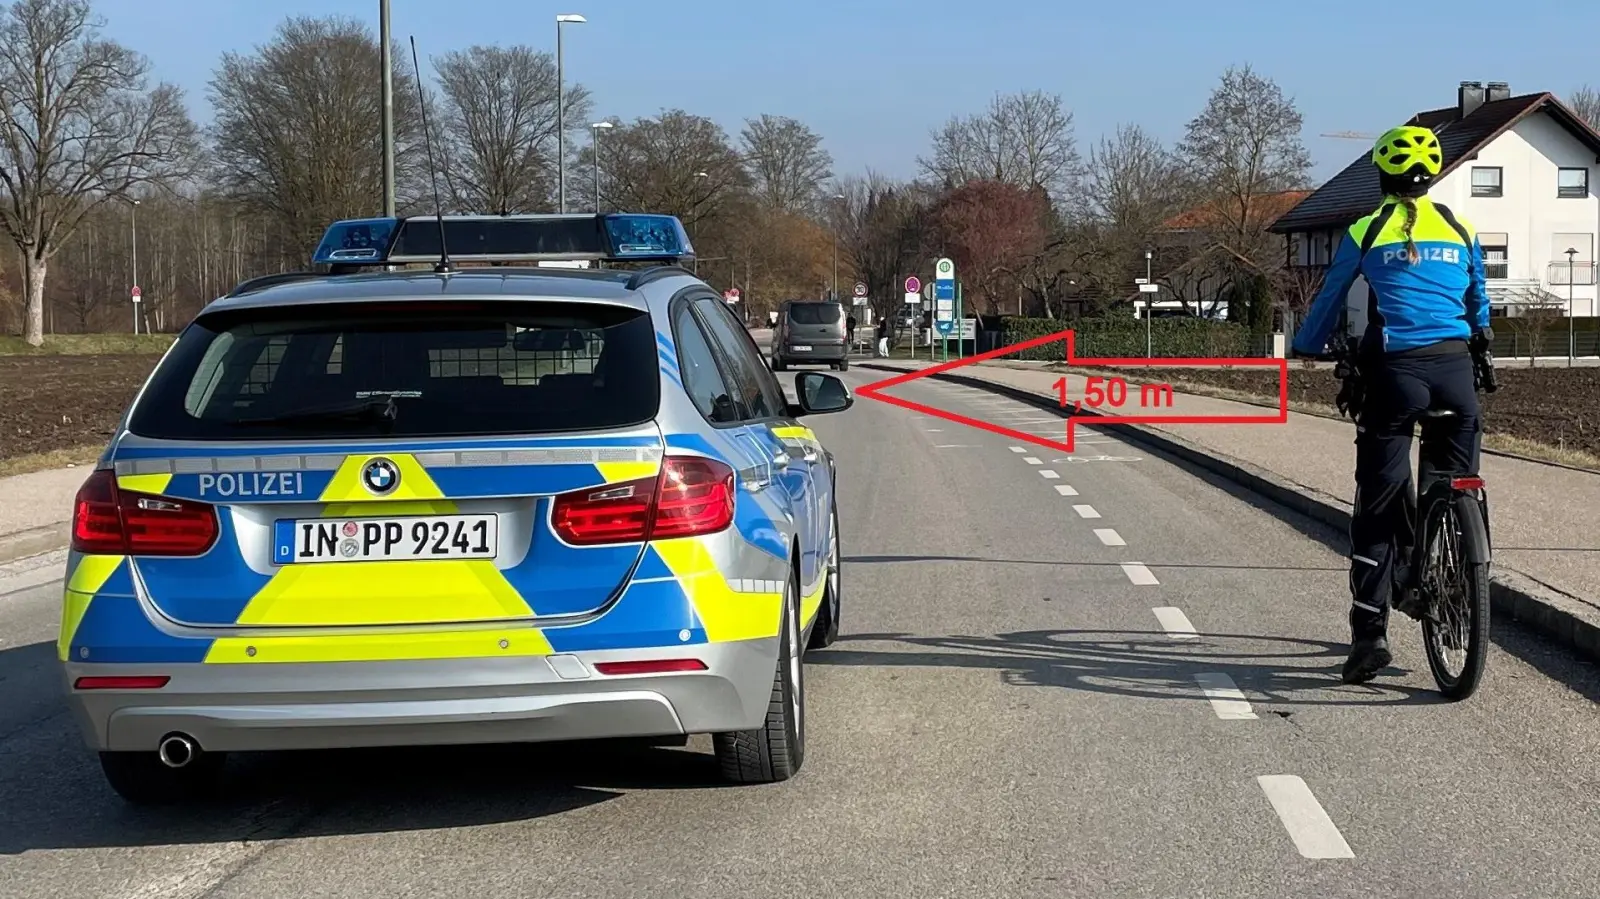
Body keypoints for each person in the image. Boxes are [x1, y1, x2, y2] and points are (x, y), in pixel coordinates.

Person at [1290, 124, 1493, 685]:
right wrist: (1480, 340)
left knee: (1377, 504)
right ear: (1432, 178)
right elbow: (1479, 301)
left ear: (1382, 175)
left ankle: (1369, 634)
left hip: (1398, 376)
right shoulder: (1460, 226)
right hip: (1455, 374)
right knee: (1452, 481)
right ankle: (1459, 577)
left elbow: (1330, 296)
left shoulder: (1367, 228)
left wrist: (1307, 344)